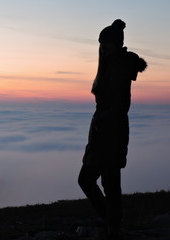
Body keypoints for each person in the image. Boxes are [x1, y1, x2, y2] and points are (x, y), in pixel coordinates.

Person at [78, 19, 147, 239]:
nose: (103, 47)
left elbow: (121, 105)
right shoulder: (111, 66)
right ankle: (112, 223)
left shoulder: (118, 68)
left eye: (107, 43)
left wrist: (102, 121)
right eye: (101, 43)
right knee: (105, 181)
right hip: (105, 132)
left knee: (100, 181)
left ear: (117, 44)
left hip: (111, 132)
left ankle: (113, 225)